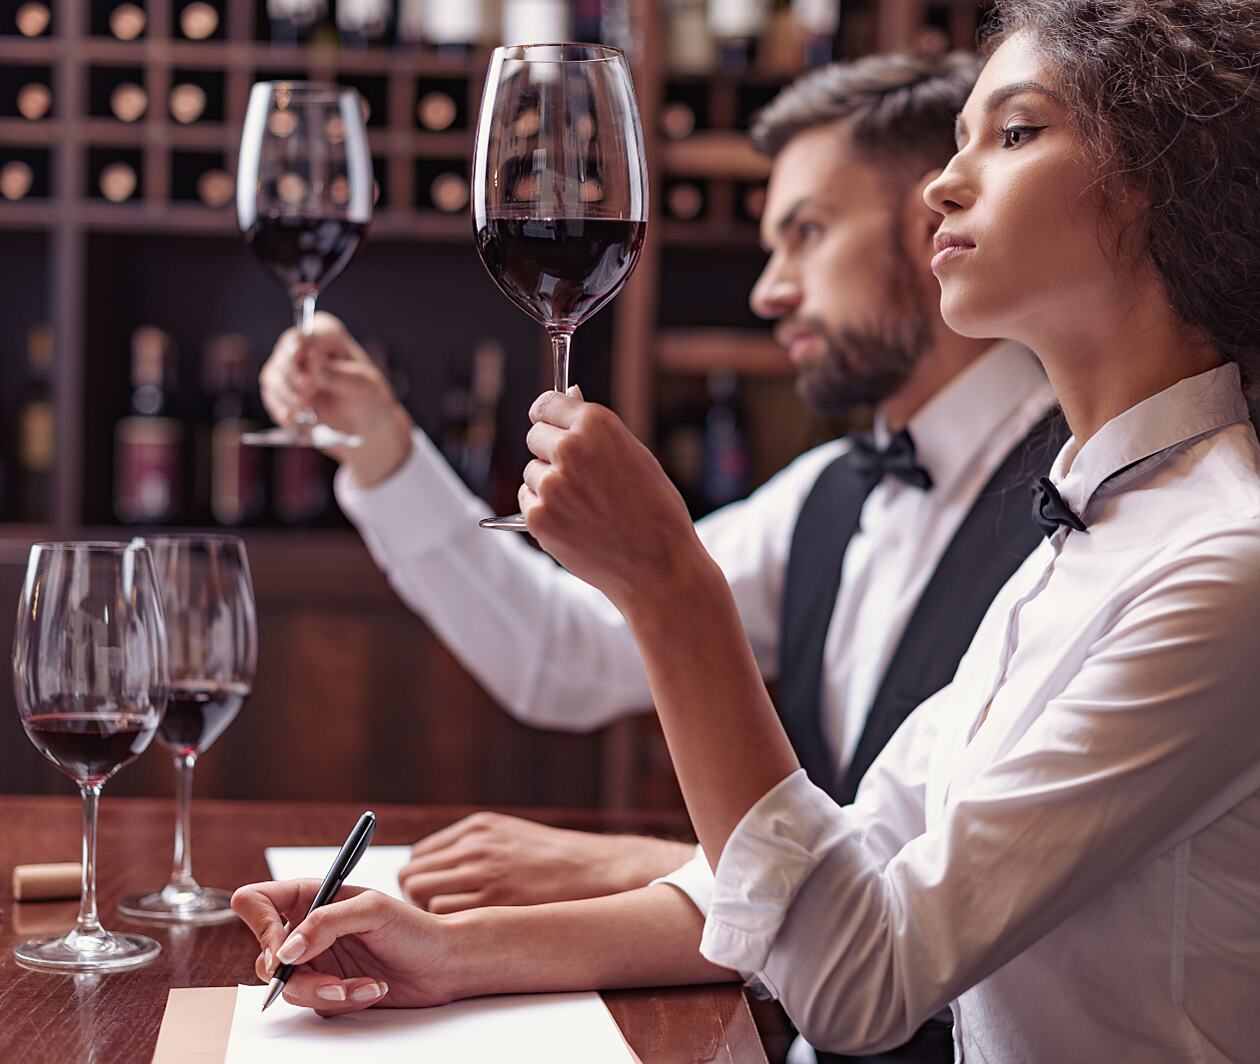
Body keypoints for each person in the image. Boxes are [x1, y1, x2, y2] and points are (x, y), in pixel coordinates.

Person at [235, 2, 1260, 1060]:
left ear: (1155, 181)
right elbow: (860, 852)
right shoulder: (1086, 527)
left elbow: (860, 975)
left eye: (1012, 133)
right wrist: (453, 951)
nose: (941, 191)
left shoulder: (1221, 568)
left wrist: (670, 581)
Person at [258, 52, 1054, 933]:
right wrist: (381, 449)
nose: (769, 292)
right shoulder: (829, 493)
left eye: (808, 233)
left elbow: (968, 887)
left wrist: (631, 864)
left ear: (935, 215)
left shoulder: (1089, 500)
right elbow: (562, 655)